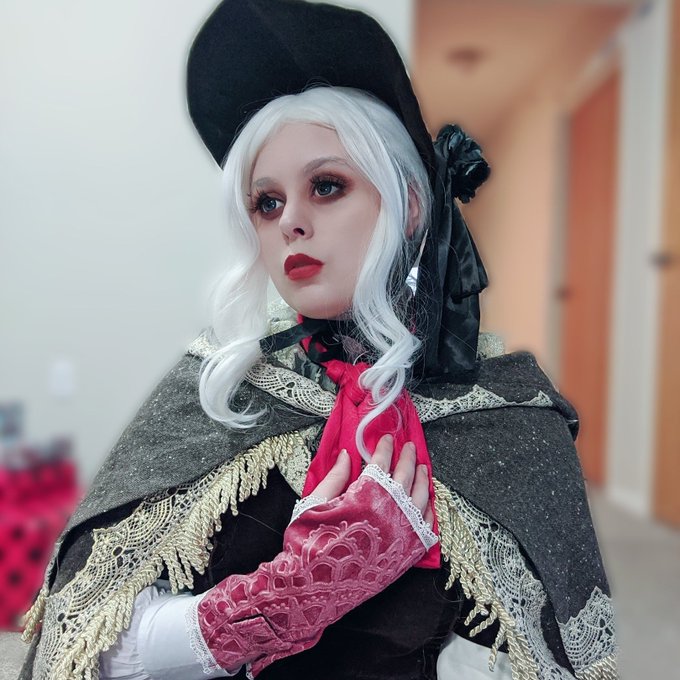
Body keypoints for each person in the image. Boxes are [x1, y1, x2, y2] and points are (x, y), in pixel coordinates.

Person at [20, 1, 618, 679]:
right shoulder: (221, 388)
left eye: (327, 186)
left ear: (408, 204)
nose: (290, 223)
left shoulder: (503, 415)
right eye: (267, 202)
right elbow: (87, 646)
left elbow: (544, 656)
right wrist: (287, 596)